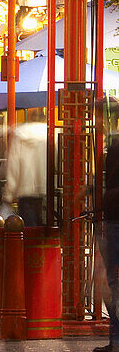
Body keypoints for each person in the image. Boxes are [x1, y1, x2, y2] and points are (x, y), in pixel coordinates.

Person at [96, 133, 119, 352]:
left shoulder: (113, 147)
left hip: (113, 218)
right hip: (112, 217)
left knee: (113, 282)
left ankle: (116, 340)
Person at [2, 114, 47, 226]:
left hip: (24, 189)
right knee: (43, 227)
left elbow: (13, 164)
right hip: (45, 188)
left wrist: (9, 193)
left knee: (27, 228)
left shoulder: (19, 135)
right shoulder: (51, 135)